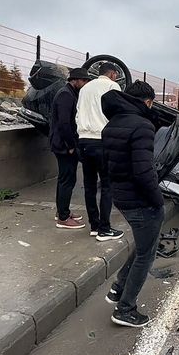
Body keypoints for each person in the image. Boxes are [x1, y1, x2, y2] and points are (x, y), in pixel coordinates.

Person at [101, 81, 165, 328]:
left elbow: (107, 166)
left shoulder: (111, 125)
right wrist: (157, 200)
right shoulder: (143, 126)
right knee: (146, 255)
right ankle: (125, 309)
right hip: (140, 201)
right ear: (147, 101)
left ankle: (118, 288)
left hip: (122, 197)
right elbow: (144, 172)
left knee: (142, 245)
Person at [75, 62, 124, 241]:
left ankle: (94, 226)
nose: (117, 78)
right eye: (116, 75)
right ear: (112, 74)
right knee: (107, 185)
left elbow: (78, 113)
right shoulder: (112, 86)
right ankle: (105, 229)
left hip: (84, 141)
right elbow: (117, 114)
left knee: (89, 186)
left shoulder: (85, 89)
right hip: (103, 141)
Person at [50, 67, 92, 229]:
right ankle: (63, 218)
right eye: (84, 80)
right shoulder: (65, 95)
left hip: (63, 144)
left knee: (65, 179)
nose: (85, 83)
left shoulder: (69, 93)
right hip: (64, 146)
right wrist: (71, 147)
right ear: (75, 80)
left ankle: (62, 211)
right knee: (67, 180)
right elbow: (64, 124)